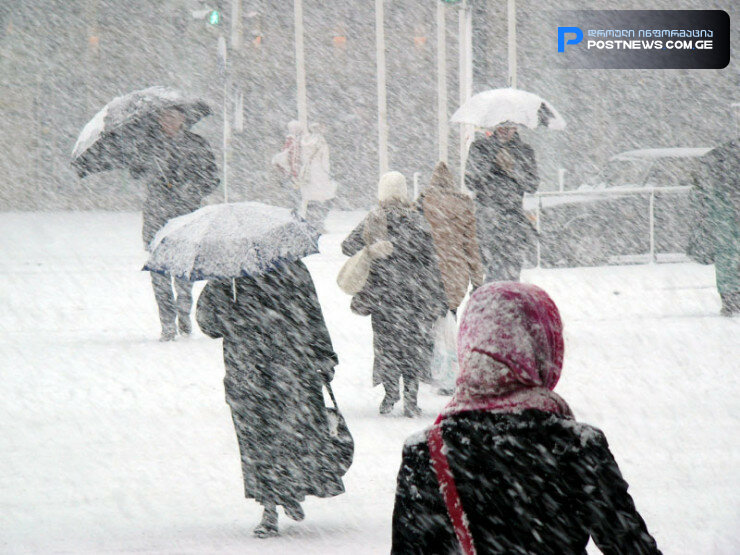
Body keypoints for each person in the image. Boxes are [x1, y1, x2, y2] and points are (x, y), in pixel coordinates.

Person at [392, 282, 662, 554]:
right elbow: (633, 548)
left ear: (469, 343)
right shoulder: (575, 446)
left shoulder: (426, 451)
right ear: (543, 346)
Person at [196, 260, 344, 538]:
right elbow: (211, 325)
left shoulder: (282, 268)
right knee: (266, 440)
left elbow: (311, 312)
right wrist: (218, 287)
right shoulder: (235, 274)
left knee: (277, 439)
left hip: (276, 370)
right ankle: (273, 503)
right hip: (262, 372)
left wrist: (324, 355)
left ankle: (283, 495)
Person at [342, 171, 447, 417]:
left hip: (383, 296)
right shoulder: (417, 219)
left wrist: (370, 249)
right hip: (413, 297)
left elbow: (346, 247)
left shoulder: (373, 219)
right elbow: (431, 261)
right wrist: (439, 296)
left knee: (386, 346)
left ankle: (390, 395)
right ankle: (411, 400)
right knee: (412, 346)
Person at [133, 106, 219, 341]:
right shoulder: (147, 144)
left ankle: (184, 315)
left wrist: (191, 187)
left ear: (183, 118)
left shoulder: (197, 143)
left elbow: (212, 177)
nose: (168, 120)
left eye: (173, 116)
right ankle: (167, 323)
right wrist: (149, 167)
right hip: (156, 215)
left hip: (185, 214)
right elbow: (135, 172)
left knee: (183, 271)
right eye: (163, 115)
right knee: (159, 270)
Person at [465, 123, 538, 281]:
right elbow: (470, 181)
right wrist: (492, 162)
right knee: (489, 276)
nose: (505, 130)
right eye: (502, 125)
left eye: (509, 126)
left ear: (516, 127)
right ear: (495, 126)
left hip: (513, 223)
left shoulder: (525, 151)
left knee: (511, 276)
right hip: (486, 222)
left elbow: (532, 185)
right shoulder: (479, 148)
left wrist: (514, 169)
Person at [694, 139, 740, 316]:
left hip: (723, 221)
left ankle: (730, 299)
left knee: (727, 258)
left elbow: (699, 197)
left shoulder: (717, 163)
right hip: (725, 220)